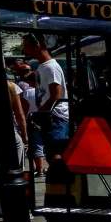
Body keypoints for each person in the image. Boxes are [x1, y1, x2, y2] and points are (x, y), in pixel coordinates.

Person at [23, 34, 69, 163]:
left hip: (56, 117)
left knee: (56, 153)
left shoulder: (50, 67)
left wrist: (40, 113)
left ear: (37, 45)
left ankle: (59, 179)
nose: (25, 50)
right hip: (49, 116)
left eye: (26, 46)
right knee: (51, 153)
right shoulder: (42, 67)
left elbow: (56, 95)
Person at [19, 72, 43, 175]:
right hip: (44, 119)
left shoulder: (27, 93)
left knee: (34, 145)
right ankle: (39, 169)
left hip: (32, 121)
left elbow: (24, 109)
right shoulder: (43, 92)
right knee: (39, 145)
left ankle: (38, 169)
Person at [6, 80, 26, 173]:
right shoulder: (11, 86)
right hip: (10, 130)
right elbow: (19, 114)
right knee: (18, 144)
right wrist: (24, 134)